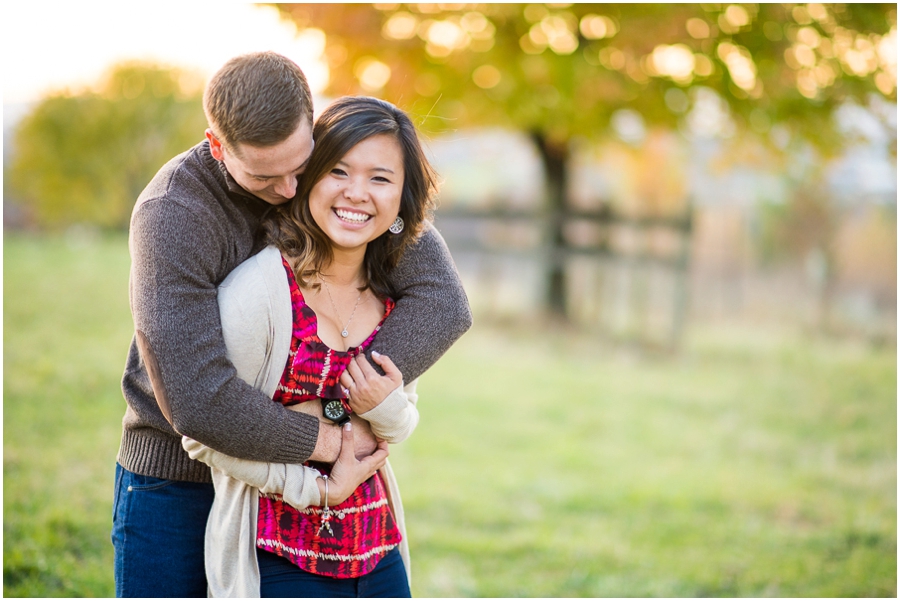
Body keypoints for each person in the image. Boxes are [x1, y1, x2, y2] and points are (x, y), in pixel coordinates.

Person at [113, 52, 471, 598]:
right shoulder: (175, 213)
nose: (287, 190)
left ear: (313, 124)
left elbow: (444, 301)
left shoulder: (336, 175)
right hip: (178, 479)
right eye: (263, 175)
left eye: (299, 168)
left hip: (288, 493)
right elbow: (196, 402)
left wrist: (351, 404)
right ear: (216, 145)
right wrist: (330, 440)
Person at [184, 94, 441, 598]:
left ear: (400, 200)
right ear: (307, 181)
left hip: (378, 551)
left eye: (381, 178)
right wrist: (318, 487)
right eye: (339, 171)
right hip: (277, 559)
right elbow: (202, 437)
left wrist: (380, 405)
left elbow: (403, 420)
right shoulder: (258, 292)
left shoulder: (395, 295)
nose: (357, 193)